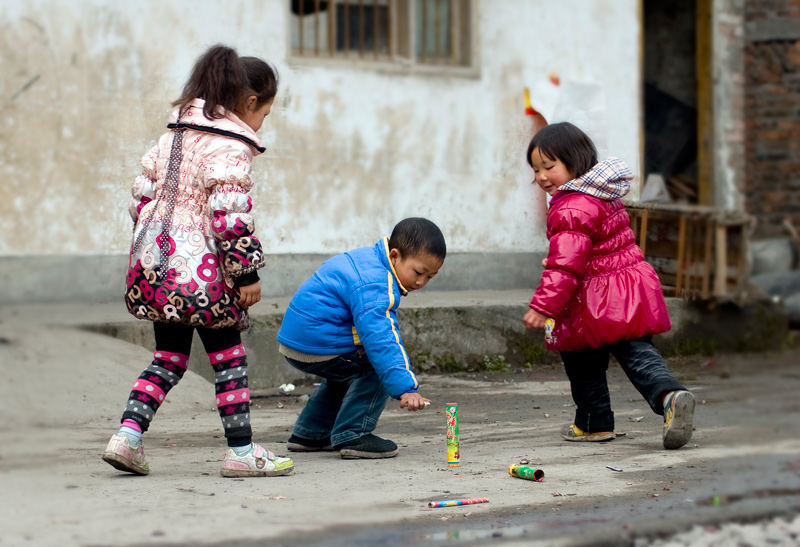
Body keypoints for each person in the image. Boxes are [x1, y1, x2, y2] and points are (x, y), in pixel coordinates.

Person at [102, 44, 294, 477]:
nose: (264, 122)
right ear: (248, 103)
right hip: (204, 274)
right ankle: (242, 453)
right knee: (228, 362)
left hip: (156, 263)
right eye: (265, 112)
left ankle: (127, 438)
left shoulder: (174, 135)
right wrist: (246, 272)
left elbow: (142, 198)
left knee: (168, 356)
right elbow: (228, 217)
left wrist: (159, 246)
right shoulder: (231, 148)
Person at [522, 122, 695, 450]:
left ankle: (593, 423)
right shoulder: (603, 195)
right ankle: (670, 396)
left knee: (581, 359)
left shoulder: (571, 206)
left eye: (549, 166)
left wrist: (542, 307)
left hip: (594, 298)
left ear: (575, 161)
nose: (542, 176)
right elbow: (592, 247)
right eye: (536, 170)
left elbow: (565, 265)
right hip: (631, 287)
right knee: (638, 352)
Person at [276, 218, 445, 459]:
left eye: (430, 277)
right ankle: (353, 434)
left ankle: (310, 435)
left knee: (344, 372)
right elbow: (381, 339)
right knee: (373, 368)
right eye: (418, 272)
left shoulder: (368, 261)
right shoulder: (376, 282)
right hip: (317, 342)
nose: (421, 282)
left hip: (300, 340)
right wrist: (406, 388)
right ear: (395, 256)